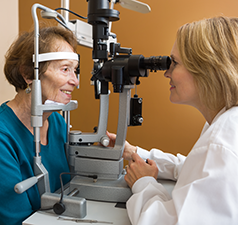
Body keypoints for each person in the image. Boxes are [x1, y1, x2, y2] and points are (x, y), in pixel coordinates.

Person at [107, 16, 238, 225]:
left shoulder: (220, 144)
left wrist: (143, 183)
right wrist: (136, 154)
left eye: (174, 63)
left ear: (208, 69)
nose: (166, 72)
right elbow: (194, 168)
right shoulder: (226, 124)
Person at [0, 26, 79, 225]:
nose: (75, 81)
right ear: (29, 74)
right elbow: (15, 220)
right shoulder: (3, 136)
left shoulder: (57, 122)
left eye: (75, 70)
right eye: (65, 69)